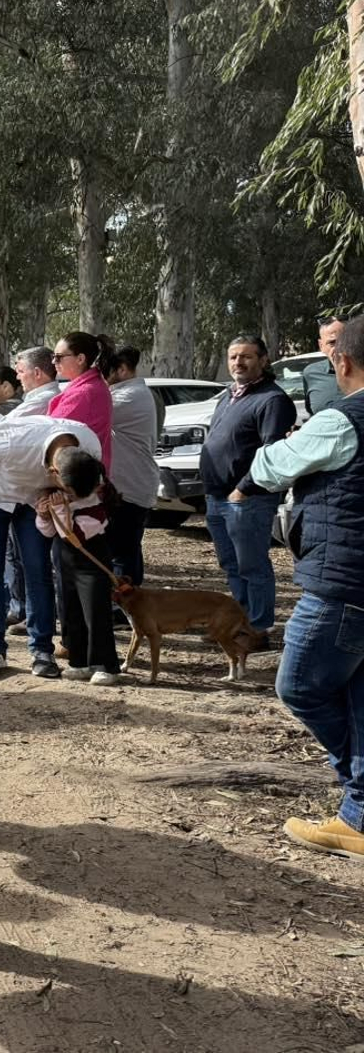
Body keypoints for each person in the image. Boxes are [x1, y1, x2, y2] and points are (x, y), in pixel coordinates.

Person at [252, 315, 364, 859]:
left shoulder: (341, 421)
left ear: (340, 361)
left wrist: (280, 444)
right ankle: (359, 816)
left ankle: (363, 798)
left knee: (299, 686)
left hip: (344, 583)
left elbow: (270, 468)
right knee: (357, 691)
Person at [0, 412, 101, 680]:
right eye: (68, 492)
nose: (70, 500)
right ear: (52, 472)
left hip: (32, 502)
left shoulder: (89, 444)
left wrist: (57, 495)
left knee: (38, 569)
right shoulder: (8, 442)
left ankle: (42, 650)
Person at [200, 335, 297, 647]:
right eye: (233, 357)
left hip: (247, 499)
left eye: (246, 357)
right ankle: (236, 624)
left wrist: (243, 489)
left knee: (252, 566)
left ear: (263, 360)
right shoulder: (229, 396)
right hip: (216, 497)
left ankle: (258, 629)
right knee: (230, 565)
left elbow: (273, 452)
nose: (238, 363)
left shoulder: (272, 400)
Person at [36, 448, 121, 684]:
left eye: (70, 493)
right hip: (66, 567)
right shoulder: (63, 496)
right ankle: (79, 661)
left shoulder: (96, 510)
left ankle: (105, 664)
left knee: (96, 614)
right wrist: (44, 515)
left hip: (91, 569)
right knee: (70, 612)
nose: (67, 495)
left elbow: (71, 535)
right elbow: (49, 531)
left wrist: (62, 509)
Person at [104, 347, 160, 588]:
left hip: (129, 486)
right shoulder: (131, 393)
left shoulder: (128, 396)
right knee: (127, 550)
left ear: (122, 369)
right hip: (131, 483)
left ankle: (123, 607)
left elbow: (88, 413)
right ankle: (129, 606)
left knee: (121, 553)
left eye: (103, 374)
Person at [47, 332, 115, 467]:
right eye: (53, 356)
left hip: (81, 476)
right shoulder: (89, 387)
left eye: (59, 357)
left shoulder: (84, 392)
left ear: (80, 359)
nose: (54, 361)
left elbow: (50, 431)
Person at [304, 315, 347, 415]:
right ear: (321, 346)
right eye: (332, 342)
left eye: (344, 341)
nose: (339, 347)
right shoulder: (311, 373)